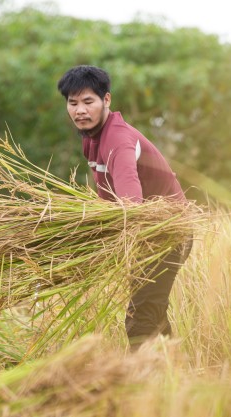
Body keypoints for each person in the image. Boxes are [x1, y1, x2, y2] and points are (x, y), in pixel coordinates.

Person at [57, 65, 191, 350]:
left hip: (166, 233)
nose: (80, 110)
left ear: (106, 100)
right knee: (150, 312)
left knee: (141, 317)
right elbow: (108, 197)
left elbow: (130, 201)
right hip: (145, 234)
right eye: (73, 103)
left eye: (88, 101)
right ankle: (174, 374)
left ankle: (140, 387)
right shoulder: (91, 139)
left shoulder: (117, 139)